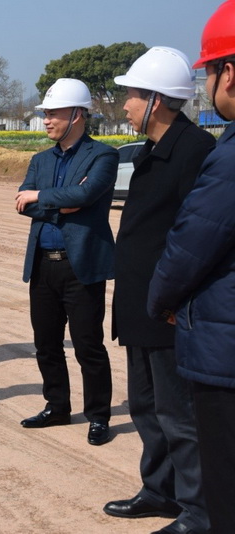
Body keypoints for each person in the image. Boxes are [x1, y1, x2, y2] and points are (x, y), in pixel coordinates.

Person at [102, 47, 215, 534]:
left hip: (170, 308)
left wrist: (175, 298)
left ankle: (198, 511)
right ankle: (159, 490)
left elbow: (197, 238)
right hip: (140, 305)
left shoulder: (194, 152)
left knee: (179, 414)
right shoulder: (151, 151)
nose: (124, 104)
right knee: (146, 406)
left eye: (131, 95)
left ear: (157, 99)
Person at [148, 3, 235, 531]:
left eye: (211, 70)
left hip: (225, 349)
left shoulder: (226, 157)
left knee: (226, 488)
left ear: (230, 72)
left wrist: (160, 300)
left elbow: (190, 244)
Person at [15, 78, 118, 446]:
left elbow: (86, 194)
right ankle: (57, 406)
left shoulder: (103, 156)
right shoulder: (40, 160)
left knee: (88, 345)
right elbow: (22, 203)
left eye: (53, 114)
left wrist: (42, 196)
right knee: (46, 343)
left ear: (77, 115)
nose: (46, 120)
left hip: (81, 266)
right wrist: (62, 201)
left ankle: (98, 415)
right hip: (44, 264)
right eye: (45, 114)